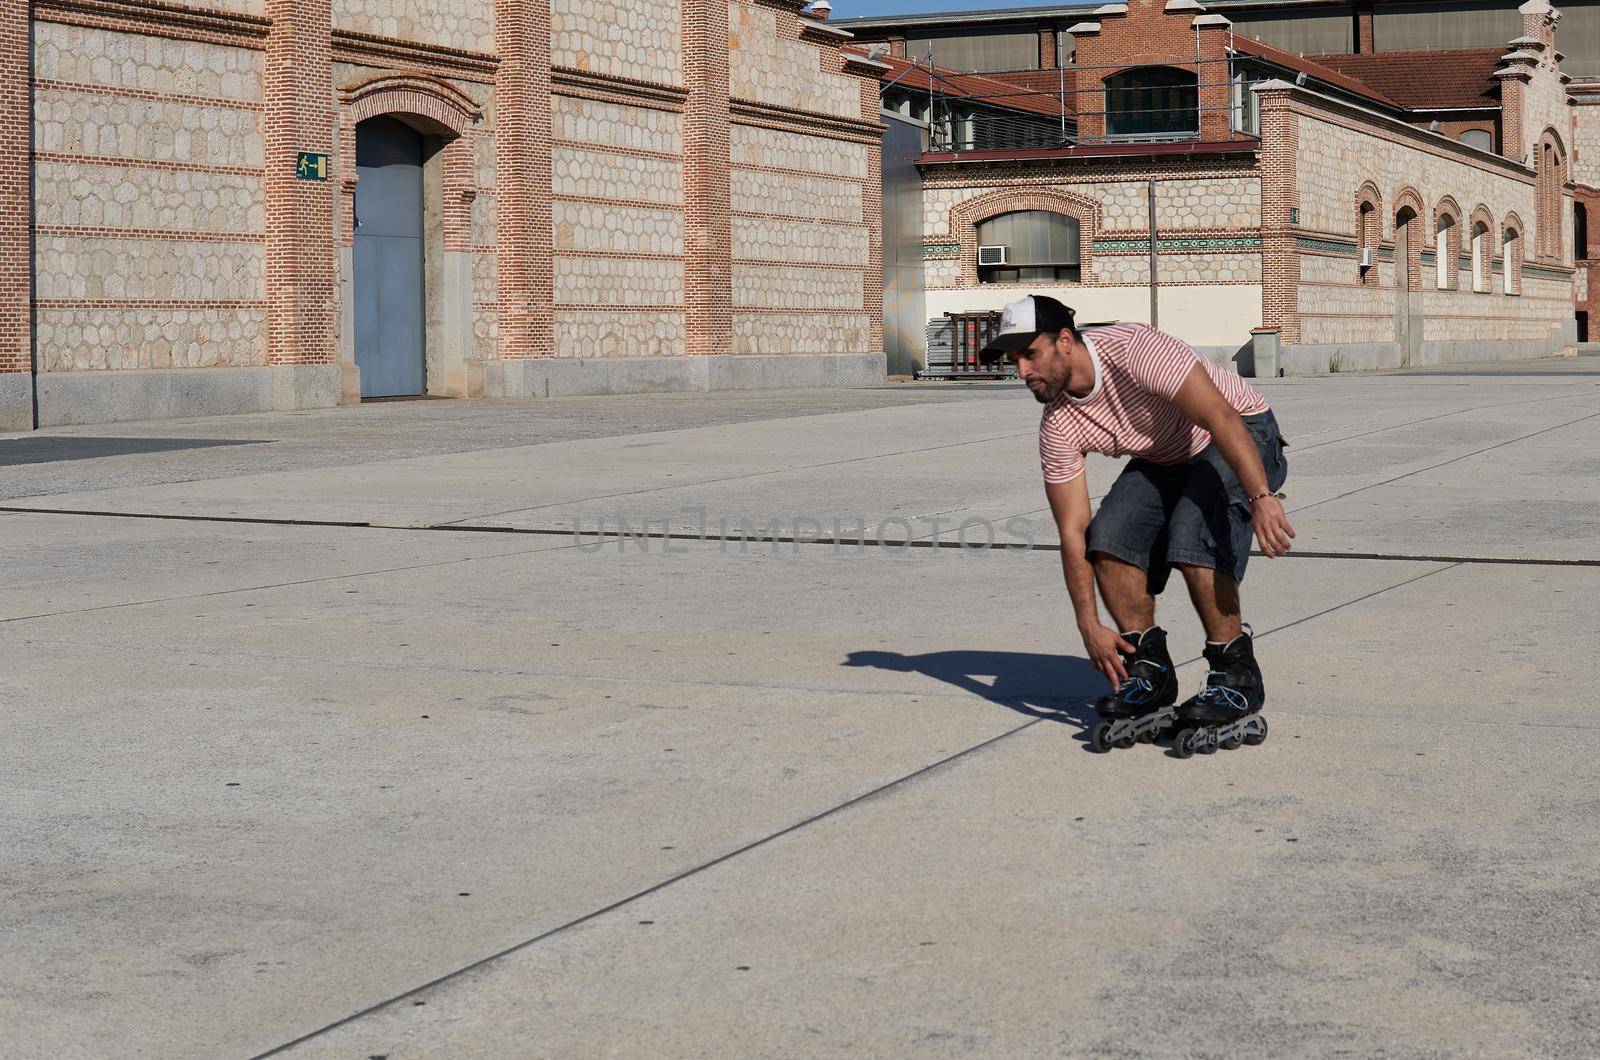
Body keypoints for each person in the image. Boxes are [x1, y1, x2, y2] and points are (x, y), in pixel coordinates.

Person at [978, 295, 1294, 750]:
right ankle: (1150, 672)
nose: (1023, 372)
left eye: (1030, 355)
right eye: (1014, 361)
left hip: (1240, 429)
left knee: (1192, 530)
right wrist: (1088, 625)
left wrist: (1261, 496)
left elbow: (1221, 416)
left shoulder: (1133, 351)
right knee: (1107, 538)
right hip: (1166, 455)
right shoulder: (1058, 425)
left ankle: (1234, 673)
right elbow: (1073, 531)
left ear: (1064, 342)